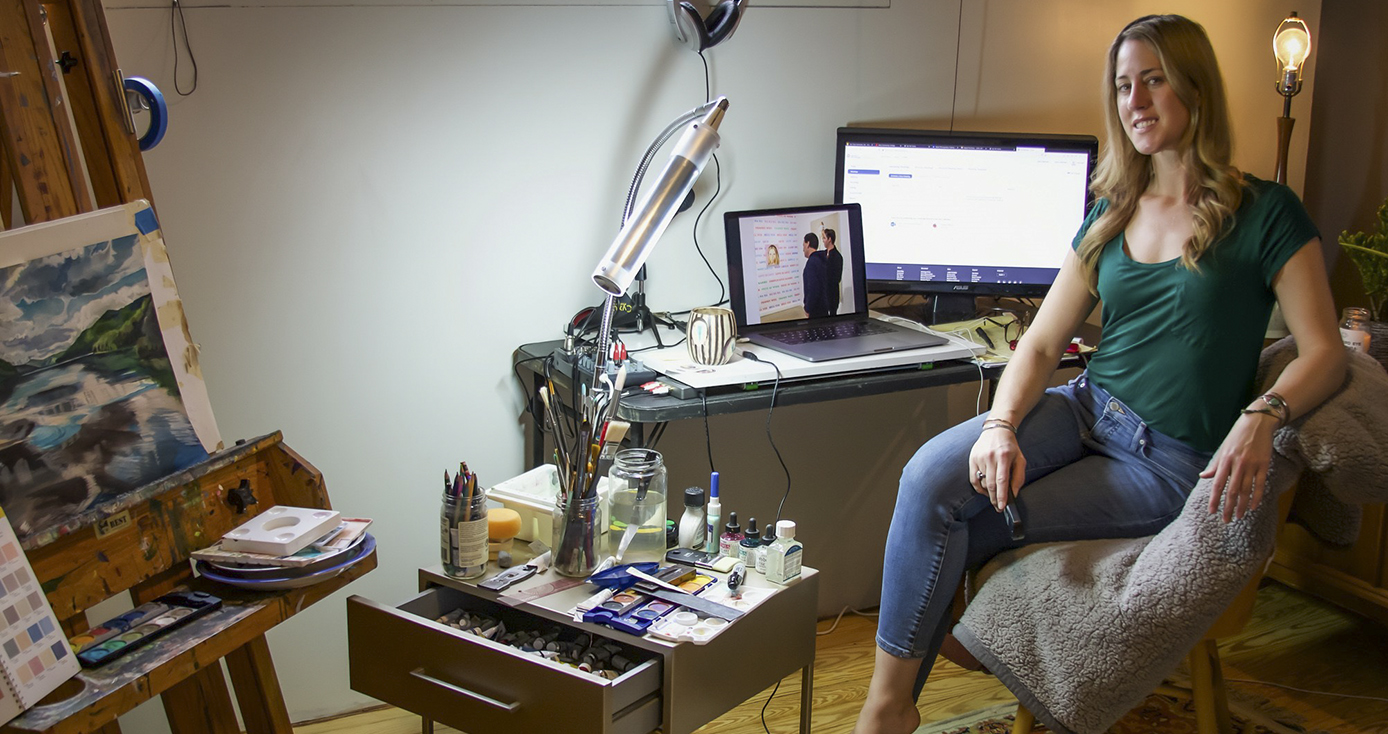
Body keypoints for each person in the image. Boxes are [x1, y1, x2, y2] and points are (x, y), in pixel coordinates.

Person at [852, 15, 1346, 734]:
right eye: (1123, 86)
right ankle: (890, 707)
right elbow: (1042, 340)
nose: (1135, 101)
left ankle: (902, 702)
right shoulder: (1110, 211)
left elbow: (1326, 351)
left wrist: (1263, 414)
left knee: (987, 517)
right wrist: (1000, 425)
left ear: (1194, 86)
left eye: (1153, 80)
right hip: (1088, 409)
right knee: (930, 479)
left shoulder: (1266, 212)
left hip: (1169, 462)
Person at [802, 232, 830, 318]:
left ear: (808, 244)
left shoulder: (812, 263)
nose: (803, 249)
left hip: (816, 310)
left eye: (803, 245)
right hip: (823, 307)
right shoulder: (821, 260)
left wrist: (808, 308)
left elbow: (813, 289)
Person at [822, 227, 844, 314]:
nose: (823, 240)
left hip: (832, 295)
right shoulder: (822, 255)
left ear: (829, 239)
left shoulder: (837, 257)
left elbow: (837, 278)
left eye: (824, 238)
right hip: (822, 296)